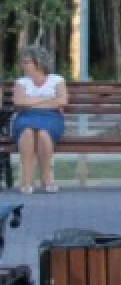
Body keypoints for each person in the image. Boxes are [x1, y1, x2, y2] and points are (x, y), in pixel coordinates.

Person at [11, 45, 67, 194]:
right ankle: (26, 180)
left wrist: (31, 101)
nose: (23, 65)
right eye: (23, 62)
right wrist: (47, 100)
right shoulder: (21, 82)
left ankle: (46, 178)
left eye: (27, 62)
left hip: (51, 117)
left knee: (43, 133)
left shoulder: (57, 80)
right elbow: (19, 102)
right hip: (26, 116)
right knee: (27, 132)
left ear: (39, 62)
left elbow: (62, 101)